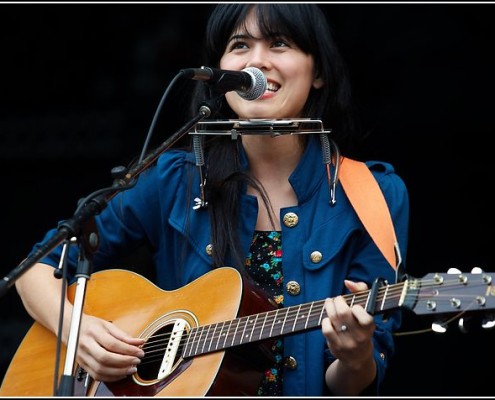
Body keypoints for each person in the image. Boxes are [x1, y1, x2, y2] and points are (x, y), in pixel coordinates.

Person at [13, 3, 409, 397]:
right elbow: (36, 270)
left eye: (279, 43)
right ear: (220, 74)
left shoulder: (374, 194)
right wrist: (79, 331)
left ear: (318, 71)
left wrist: (355, 356)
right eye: (240, 45)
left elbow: (354, 381)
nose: (257, 61)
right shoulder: (174, 180)